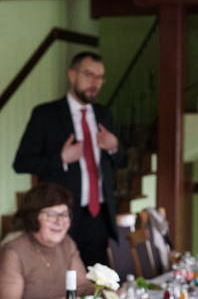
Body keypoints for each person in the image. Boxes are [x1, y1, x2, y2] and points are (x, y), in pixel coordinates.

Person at [12, 50, 122, 269]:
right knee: (62, 279)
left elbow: (120, 162)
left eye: (100, 77)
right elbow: (21, 163)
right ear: (72, 75)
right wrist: (61, 158)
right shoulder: (45, 114)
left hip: (98, 215)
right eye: (89, 75)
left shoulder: (104, 115)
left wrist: (114, 147)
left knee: (95, 280)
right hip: (60, 217)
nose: (95, 83)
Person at [0, 183, 92, 299]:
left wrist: (107, 293)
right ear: (33, 217)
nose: (59, 221)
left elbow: (82, 287)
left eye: (64, 214)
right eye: (51, 214)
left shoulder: (67, 243)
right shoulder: (13, 252)